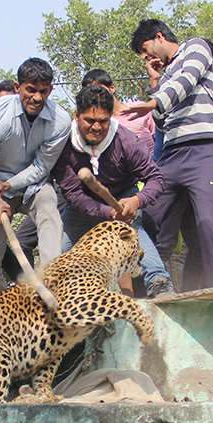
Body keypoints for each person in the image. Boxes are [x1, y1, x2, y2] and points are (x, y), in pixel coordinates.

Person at [125, 19, 213, 290]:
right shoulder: (166, 74)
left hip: (203, 150)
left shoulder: (197, 47)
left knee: (208, 222)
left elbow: (185, 82)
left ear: (159, 36)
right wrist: (155, 81)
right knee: (151, 220)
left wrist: (154, 100)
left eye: (147, 50)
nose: (147, 57)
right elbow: (160, 117)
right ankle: (149, 291)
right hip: (171, 154)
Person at [52, 85, 174, 297]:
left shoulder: (126, 141)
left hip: (123, 199)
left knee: (134, 231)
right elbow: (73, 194)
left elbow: (156, 178)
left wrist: (136, 201)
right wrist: (107, 212)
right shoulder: (62, 144)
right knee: (60, 249)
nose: (96, 127)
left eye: (103, 121)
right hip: (80, 208)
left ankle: (158, 281)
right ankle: (72, 298)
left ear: (111, 117)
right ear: (77, 116)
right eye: (89, 121)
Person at [0, 57, 71, 294]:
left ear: (50, 90)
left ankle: (51, 289)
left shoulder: (61, 121)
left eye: (43, 91)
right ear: (18, 88)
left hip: (34, 185)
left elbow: (41, 167)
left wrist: (10, 184)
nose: (37, 98)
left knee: (50, 215)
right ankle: (6, 310)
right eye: (31, 90)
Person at [81, 69, 156, 155]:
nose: (94, 96)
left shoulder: (140, 109)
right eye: (89, 93)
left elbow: (160, 138)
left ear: (112, 88)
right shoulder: (98, 124)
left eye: (98, 89)